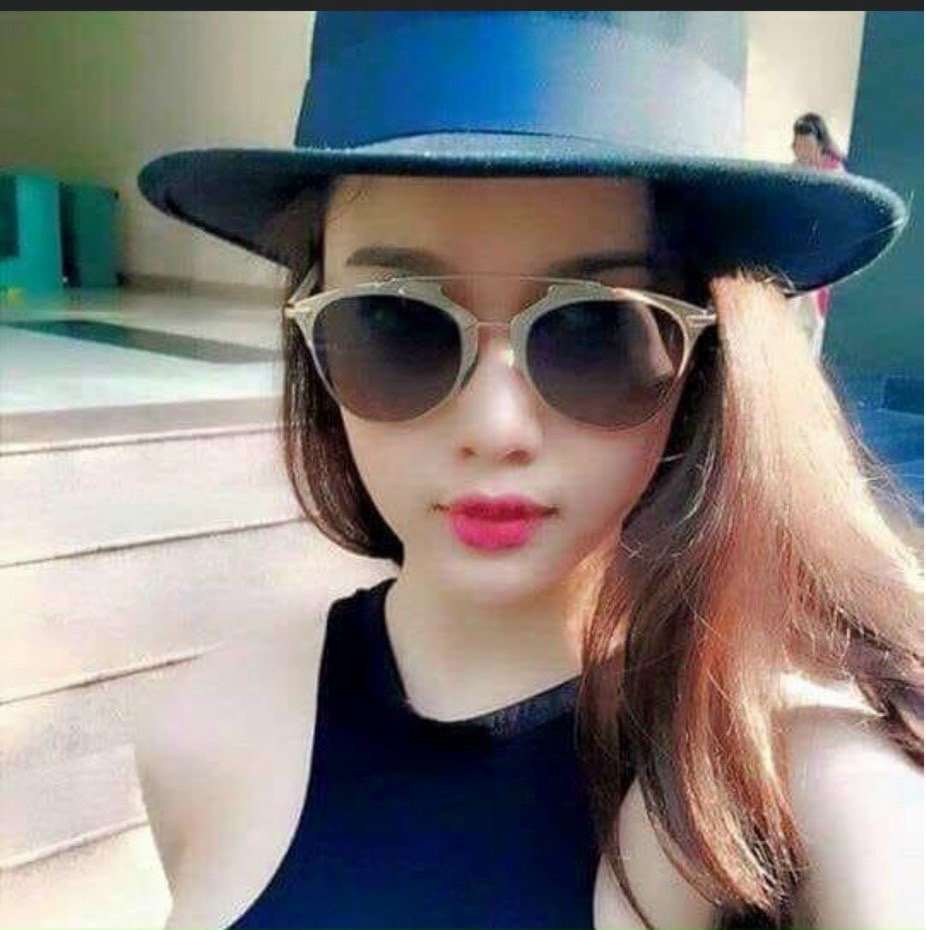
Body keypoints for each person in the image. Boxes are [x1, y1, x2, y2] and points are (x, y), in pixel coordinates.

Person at [132, 13, 922, 929]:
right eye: (397, 321)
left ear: (708, 361)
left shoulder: (802, 783)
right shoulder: (202, 737)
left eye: (594, 328)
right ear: (310, 330)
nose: (495, 428)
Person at [790, 113, 849, 356]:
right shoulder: (795, 169)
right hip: (799, 248)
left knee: (815, 317)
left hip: (822, 250)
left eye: (807, 146)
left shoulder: (835, 173)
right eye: (798, 146)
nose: (803, 152)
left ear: (820, 144)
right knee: (794, 305)